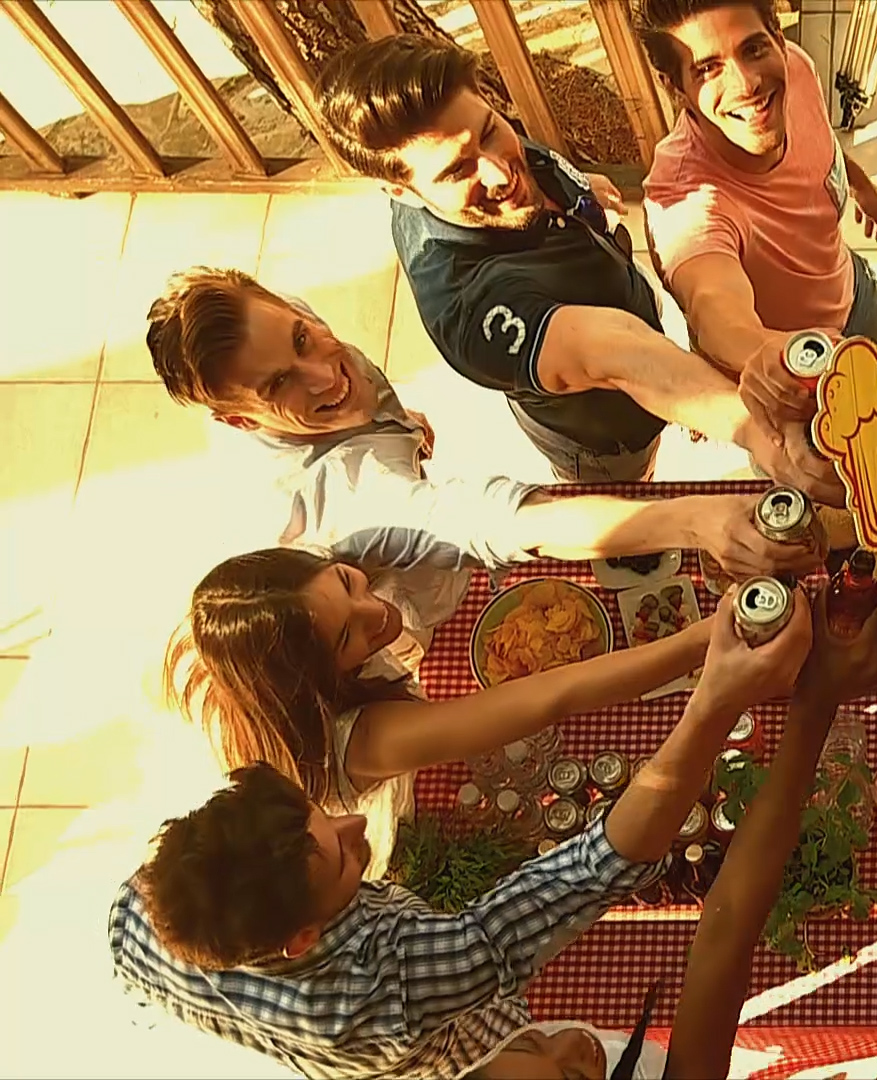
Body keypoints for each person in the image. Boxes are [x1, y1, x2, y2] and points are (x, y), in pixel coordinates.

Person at [111, 593, 813, 1079]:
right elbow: (594, 869)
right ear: (301, 941)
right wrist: (718, 697)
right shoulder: (393, 993)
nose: (357, 824)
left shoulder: (136, 914)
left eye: (320, 814)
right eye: (339, 855)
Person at [314, 34, 836, 498]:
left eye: (492, 131)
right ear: (398, 189)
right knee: (629, 488)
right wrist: (755, 432)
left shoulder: (474, 150)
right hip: (605, 440)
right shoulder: (469, 308)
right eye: (458, 170)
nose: (500, 174)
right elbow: (616, 351)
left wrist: (581, 188)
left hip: (631, 324)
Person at [147, 266, 824, 585]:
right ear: (240, 421)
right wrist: (694, 522)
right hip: (397, 610)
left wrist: (396, 424)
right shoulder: (350, 502)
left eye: (303, 339)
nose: (325, 376)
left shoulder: (280, 330)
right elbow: (499, 521)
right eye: (280, 387)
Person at [460, 590, 877, 1080]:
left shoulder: (459, 1016)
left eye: (533, 1041)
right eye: (575, 1077)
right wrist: (815, 700)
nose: (575, 1042)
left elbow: (595, 870)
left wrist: (719, 685)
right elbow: (725, 929)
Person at [169, 549, 717, 880]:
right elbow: (553, 696)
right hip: (380, 832)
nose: (375, 612)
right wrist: (701, 642)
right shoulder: (364, 742)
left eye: (344, 581)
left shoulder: (245, 640)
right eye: (348, 637)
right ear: (314, 681)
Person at [637, 0, 877, 441]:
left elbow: (820, 138)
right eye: (707, 69)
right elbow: (714, 305)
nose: (747, 83)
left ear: (779, 39)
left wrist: (861, 185)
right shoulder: (684, 200)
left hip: (852, 291)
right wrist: (772, 356)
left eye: (754, 49)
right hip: (795, 372)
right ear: (675, 86)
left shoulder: (795, 69)